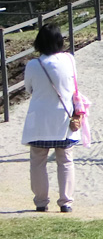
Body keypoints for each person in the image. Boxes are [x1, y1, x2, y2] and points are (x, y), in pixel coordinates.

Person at [21, 23, 83, 213]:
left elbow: (28, 89)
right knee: (65, 160)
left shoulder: (34, 64)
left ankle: (41, 202)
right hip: (64, 118)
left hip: (39, 120)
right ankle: (66, 202)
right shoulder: (69, 60)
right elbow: (73, 85)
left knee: (37, 161)